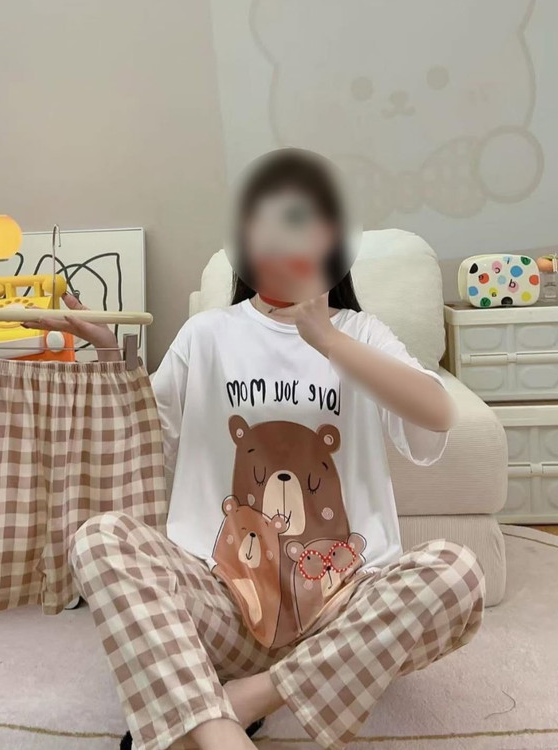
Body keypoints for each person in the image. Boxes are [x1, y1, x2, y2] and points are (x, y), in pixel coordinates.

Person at [30, 149, 485, 750]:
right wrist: (111, 352)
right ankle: (223, 731)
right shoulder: (208, 334)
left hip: (344, 608)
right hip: (222, 600)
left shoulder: (363, 334)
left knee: (457, 573)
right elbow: (139, 436)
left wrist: (326, 338)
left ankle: (242, 700)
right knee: (99, 539)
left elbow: (437, 416)